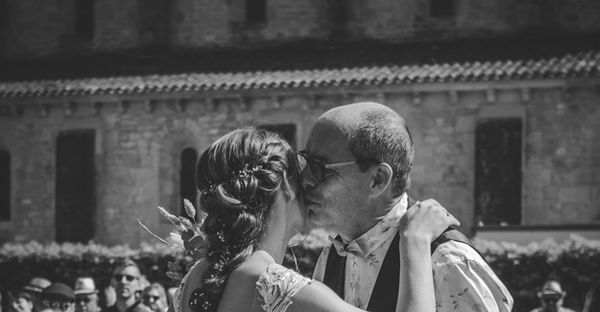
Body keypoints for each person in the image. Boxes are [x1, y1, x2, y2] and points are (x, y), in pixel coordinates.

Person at [173, 127, 459, 312]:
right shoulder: (280, 289)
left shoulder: (195, 278)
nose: (311, 184)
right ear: (284, 184)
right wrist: (415, 242)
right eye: (303, 172)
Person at [302, 102, 514, 312]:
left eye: (319, 168)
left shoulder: (448, 261)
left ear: (378, 179)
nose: (305, 179)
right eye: (303, 161)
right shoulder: (330, 257)